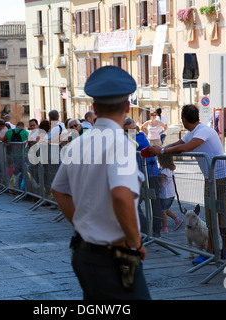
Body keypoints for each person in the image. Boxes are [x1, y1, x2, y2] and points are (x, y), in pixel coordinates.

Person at [51, 66, 151, 300]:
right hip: (113, 258)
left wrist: (84, 224)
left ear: (94, 108)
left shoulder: (78, 143)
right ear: (127, 107)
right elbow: (121, 195)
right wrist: (134, 242)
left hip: (84, 252)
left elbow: (59, 190)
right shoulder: (121, 144)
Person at [148, 104, 226, 264]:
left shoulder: (203, 131)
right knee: (210, 216)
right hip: (210, 177)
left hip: (221, 178)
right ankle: (211, 252)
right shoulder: (193, 132)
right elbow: (179, 144)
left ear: (184, 119)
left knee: (221, 216)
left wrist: (162, 151)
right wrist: (162, 148)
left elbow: (187, 146)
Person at [124, 117, 162, 237]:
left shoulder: (139, 136)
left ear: (135, 128)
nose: (128, 133)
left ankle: (155, 232)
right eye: (125, 131)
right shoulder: (129, 136)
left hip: (151, 176)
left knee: (154, 204)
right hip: (140, 177)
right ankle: (145, 230)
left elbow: (131, 144)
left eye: (130, 130)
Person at [157, 155, 183, 233]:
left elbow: (161, 183)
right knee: (165, 209)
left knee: (162, 211)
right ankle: (177, 219)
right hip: (171, 194)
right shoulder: (170, 170)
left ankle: (164, 228)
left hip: (165, 194)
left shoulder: (164, 171)